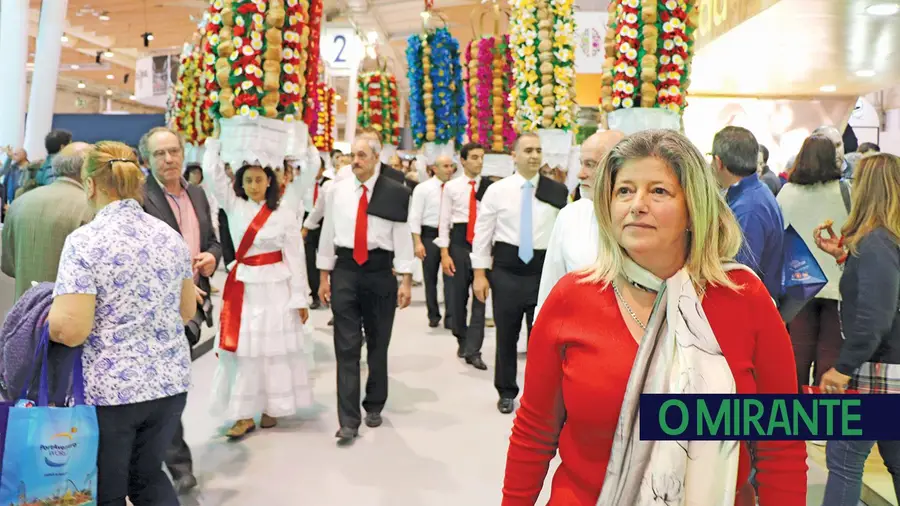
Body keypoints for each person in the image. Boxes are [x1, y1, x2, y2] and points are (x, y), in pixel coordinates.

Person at [502, 129, 807, 505]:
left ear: (694, 209)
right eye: (624, 191)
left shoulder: (744, 298)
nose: (636, 204)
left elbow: (781, 443)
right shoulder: (572, 298)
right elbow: (534, 432)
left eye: (658, 191)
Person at [47, 141, 197, 505]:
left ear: (92, 185)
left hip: (111, 393)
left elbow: (72, 329)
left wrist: (45, 316)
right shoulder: (169, 236)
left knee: (106, 489)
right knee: (148, 479)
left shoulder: (84, 242)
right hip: (169, 385)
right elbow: (187, 310)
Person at [202, 137, 314, 439]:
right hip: (244, 289)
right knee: (245, 352)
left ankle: (271, 407)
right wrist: (215, 139)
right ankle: (242, 414)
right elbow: (212, 174)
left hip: (277, 288)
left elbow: (295, 258)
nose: (253, 185)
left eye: (259, 179)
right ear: (241, 182)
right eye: (248, 180)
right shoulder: (233, 205)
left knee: (272, 350)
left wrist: (299, 297)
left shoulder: (285, 210)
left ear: (269, 182)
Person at [813, 153, 900, 505]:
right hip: (891, 365)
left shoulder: (876, 242)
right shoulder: (885, 239)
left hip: (876, 370)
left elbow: (874, 317)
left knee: (845, 460)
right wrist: (845, 258)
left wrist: (843, 368)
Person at [139, 126, 221, 492]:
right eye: (160, 154)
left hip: (194, 309)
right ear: (147, 160)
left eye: (174, 151)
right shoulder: (139, 198)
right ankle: (174, 463)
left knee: (175, 389)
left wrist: (212, 259)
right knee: (166, 391)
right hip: (157, 310)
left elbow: (215, 241)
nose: (169, 159)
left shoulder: (198, 194)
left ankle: (161, 458)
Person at [317, 136, 413, 445]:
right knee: (345, 348)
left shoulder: (394, 193)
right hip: (346, 269)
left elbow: (402, 235)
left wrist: (407, 279)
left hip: (380, 271)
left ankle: (374, 403)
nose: (355, 160)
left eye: (362, 155)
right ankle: (347, 420)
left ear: (376, 158)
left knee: (377, 343)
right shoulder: (336, 191)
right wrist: (323, 276)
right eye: (352, 155)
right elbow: (327, 233)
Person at [471, 132, 568, 414]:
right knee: (507, 334)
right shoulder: (497, 191)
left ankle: (542, 393)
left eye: (538, 150)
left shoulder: (557, 191)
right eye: (528, 150)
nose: (534, 155)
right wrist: (480, 273)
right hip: (506, 271)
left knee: (543, 337)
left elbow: (564, 233)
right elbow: (483, 233)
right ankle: (506, 389)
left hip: (543, 271)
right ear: (514, 155)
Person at [776, 134, 850, 390]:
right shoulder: (845, 192)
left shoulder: (787, 192)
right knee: (829, 356)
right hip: (838, 285)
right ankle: (823, 420)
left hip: (800, 284)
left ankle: (792, 415)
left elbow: (779, 233)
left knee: (797, 354)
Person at [535, 130, 624, 317]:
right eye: (581, 164)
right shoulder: (570, 216)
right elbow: (551, 285)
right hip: (580, 331)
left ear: (620, 168)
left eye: (591, 165)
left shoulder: (643, 219)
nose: (581, 174)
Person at [2, 142, 94, 301]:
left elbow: (8, 266)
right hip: (69, 313)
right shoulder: (91, 208)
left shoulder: (19, 202)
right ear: (87, 169)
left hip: (24, 309)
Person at [711, 126, 784, 299]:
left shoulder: (748, 208)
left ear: (718, 162)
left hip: (749, 304)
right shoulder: (756, 192)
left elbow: (739, 276)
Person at [438, 143, 488, 368]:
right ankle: (461, 336)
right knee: (457, 298)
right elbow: (443, 221)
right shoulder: (451, 187)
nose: (479, 161)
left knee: (481, 296)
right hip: (458, 242)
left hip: (483, 241)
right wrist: (444, 253)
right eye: (474, 157)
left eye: (481, 157)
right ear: (463, 160)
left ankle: (474, 349)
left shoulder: (490, 187)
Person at [410, 155, 455, 329]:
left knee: (451, 277)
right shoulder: (423, 189)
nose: (449, 169)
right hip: (428, 235)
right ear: (434, 169)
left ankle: (451, 317)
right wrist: (417, 242)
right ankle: (433, 314)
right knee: (430, 278)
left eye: (451, 166)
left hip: (449, 235)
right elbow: (414, 217)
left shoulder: (454, 188)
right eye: (445, 166)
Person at [302, 156, 329, 309]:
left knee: (327, 258)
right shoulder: (305, 184)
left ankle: (329, 292)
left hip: (324, 222)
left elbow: (321, 208)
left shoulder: (329, 184)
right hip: (307, 222)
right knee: (310, 260)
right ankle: (314, 294)